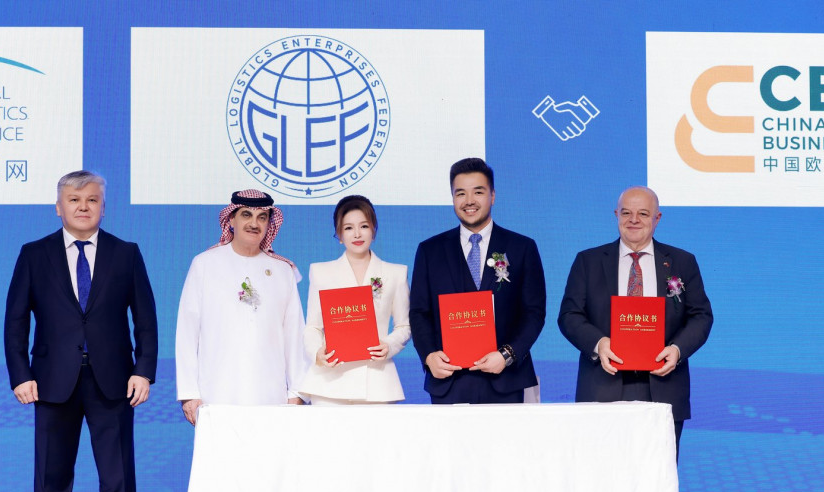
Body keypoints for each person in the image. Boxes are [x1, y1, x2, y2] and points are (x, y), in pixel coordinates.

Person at [4, 170, 158, 492]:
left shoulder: (126, 253)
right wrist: (21, 375)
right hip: (51, 381)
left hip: (114, 381)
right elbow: (15, 322)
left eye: (92, 200)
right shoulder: (34, 254)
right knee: (51, 477)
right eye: (74, 200)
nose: (83, 207)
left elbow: (146, 320)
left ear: (104, 207)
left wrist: (143, 370)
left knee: (118, 476)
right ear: (58, 207)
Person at [557, 185, 713, 455]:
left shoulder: (682, 262)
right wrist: (598, 343)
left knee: (658, 473)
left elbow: (701, 316)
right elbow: (569, 315)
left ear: (657, 218)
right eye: (626, 213)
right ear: (616, 215)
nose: (633, 220)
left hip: (663, 386)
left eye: (643, 213)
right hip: (603, 385)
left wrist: (677, 350)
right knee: (601, 470)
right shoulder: (588, 261)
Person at [409, 157, 546, 403]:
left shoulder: (521, 247)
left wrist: (507, 355)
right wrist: (429, 356)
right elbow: (419, 312)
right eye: (460, 193)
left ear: (492, 196)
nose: (469, 201)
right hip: (448, 381)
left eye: (478, 192)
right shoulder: (430, 251)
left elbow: (533, 312)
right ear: (452, 198)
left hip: (505, 380)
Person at [176, 189, 311, 423]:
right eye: (246, 215)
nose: (254, 224)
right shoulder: (205, 264)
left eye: (262, 217)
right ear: (231, 219)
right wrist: (189, 394)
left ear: (269, 224)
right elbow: (187, 332)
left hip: (271, 396)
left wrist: (297, 393)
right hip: (215, 394)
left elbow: (295, 335)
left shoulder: (283, 271)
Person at [297, 195, 410, 404]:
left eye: (364, 226)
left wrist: (389, 345)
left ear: (374, 230)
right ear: (339, 234)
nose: (357, 234)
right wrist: (317, 352)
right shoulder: (321, 272)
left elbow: (404, 325)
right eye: (348, 228)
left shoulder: (395, 273)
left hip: (377, 384)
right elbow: (313, 326)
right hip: (329, 383)